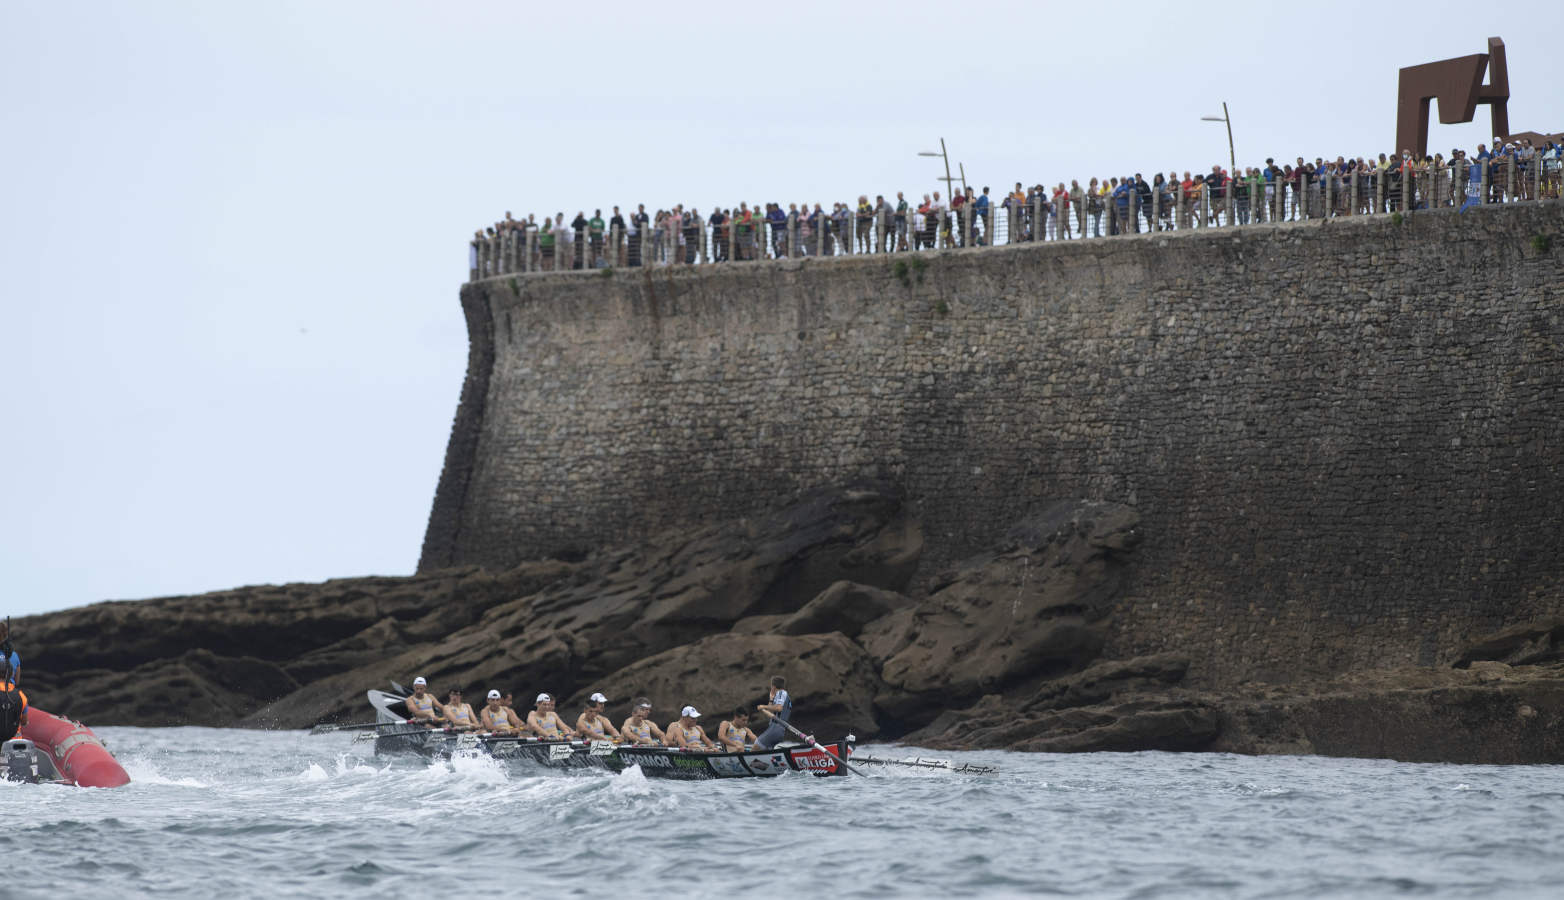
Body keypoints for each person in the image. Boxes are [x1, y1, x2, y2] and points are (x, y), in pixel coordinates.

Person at [753, 676, 791, 750]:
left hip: (775, 729)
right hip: (779, 730)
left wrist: (763, 706)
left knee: (755, 746)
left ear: (773, 686)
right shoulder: (781, 696)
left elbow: (779, 708)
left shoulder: (781, 693)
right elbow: (771, 712)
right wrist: (771, 699)